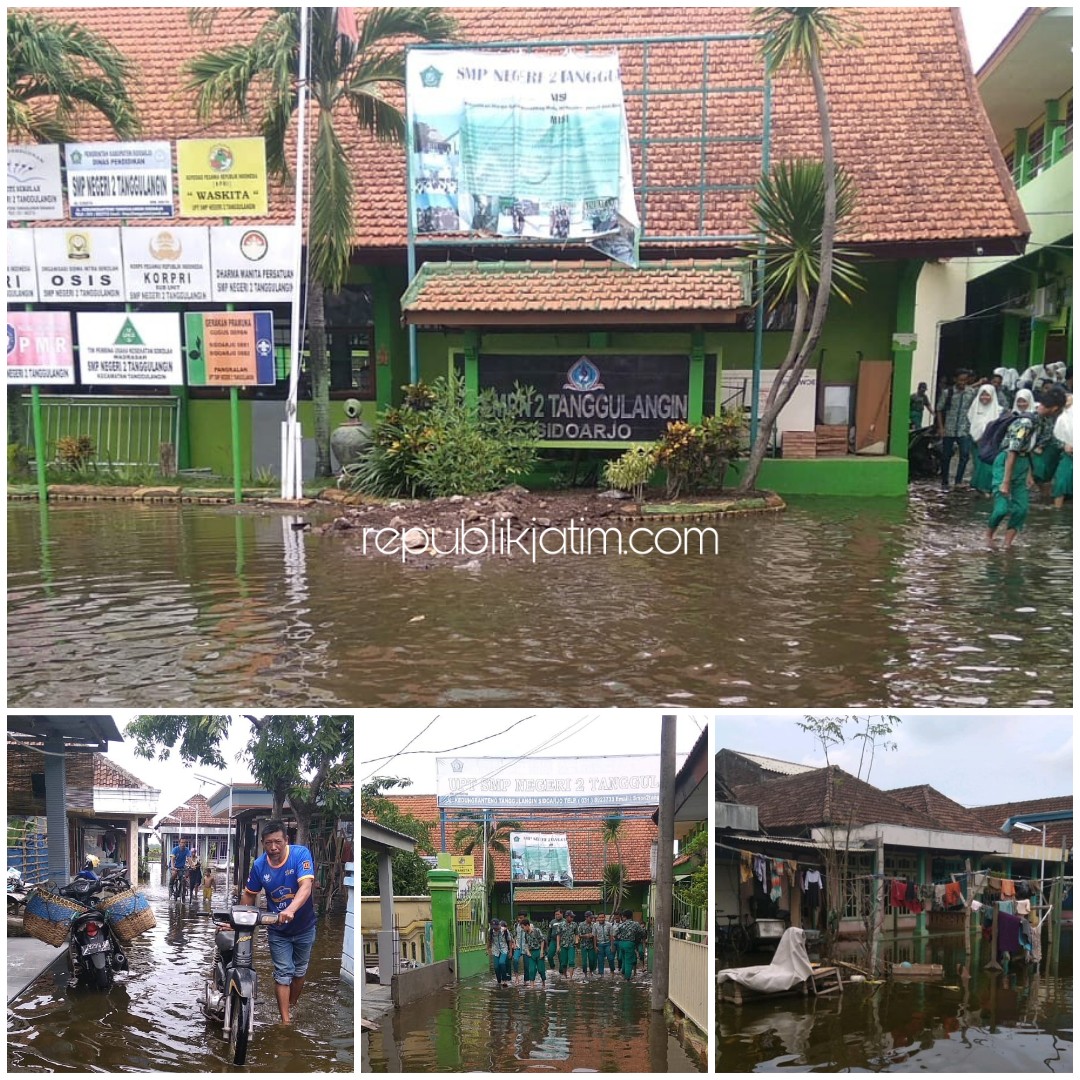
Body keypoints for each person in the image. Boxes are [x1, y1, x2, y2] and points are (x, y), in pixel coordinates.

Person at [239, 820, 317, 1025]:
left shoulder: (300, 855)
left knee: (299, 971)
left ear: (286, 841)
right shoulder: (259, 865)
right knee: (283, 973)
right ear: (263, 843)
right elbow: (249, 895)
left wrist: (290, 909)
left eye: (278, 842)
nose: (273, 848)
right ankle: (286, 1021)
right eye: (268, 843)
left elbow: (306, 886)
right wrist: (238, 919)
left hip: (304, 926)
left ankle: (291, 1005)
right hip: (277, 929)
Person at [987, 385, 1067, 548]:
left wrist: (1029, 473)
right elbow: (1012, 451)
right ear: (1055, 408)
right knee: (1002, 509)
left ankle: (1007, 545)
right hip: (1006, 464)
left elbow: (1030, 449)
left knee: (1021, 509)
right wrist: (1006, 481)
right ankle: (988, 536)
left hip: (1022, 464)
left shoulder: (1044, 422)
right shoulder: (1025, 422)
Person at [935, 369, 976, 488]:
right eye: (960, 379)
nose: (963, 382)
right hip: (949, 428)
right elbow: (939, 409)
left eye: (965, 380)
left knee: (964, 455)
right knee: (946, 455)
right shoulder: (947, 393)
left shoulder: (971, 393)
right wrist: (941, 427)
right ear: (955, 379)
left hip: (964, 429)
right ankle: (944, 481)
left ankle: (958, 481)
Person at [967, 384, 1004, 494]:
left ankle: (988, 488)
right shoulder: (974, 408)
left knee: (988, 466)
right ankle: (979, 488)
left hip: (991, 444)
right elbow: (971, 422)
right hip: (976, 442)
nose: (984, 398)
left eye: (987, 395)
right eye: (982, 395)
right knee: (978, 465)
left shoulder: (999, 411)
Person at [1052, 392, 1072, 509]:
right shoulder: (1061, 418)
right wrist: (1064, 445)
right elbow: (1055, 438)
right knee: (1061, 482)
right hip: (1068, 455)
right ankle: (1057, 510)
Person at [612, 909, 638, 981]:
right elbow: (641, 932)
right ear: (631, 916)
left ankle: (623, 972)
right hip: (630, 944)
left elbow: (614, 934)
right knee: (629, 961)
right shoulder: (635, 924)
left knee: (623, 959)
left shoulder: (621, 925)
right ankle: (627, 978)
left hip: (621, 943)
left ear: (624, 917)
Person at [522, 919, 546, 986]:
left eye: (523, 927)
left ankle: (543, 983)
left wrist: (541, 952)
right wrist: (527, 951)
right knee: (531, 970)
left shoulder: (536, 931)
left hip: (538, 951)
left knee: (541, 970)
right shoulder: (525, 934)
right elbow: (526, 943)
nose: (522, 929)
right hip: (531, 953)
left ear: (527, 925)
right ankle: (532, 986)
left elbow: (542, 940)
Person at [489, 918, 511, 987]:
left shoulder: (504, 930)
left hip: (504, 949)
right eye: (493, 927)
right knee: (496, 967)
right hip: (495, 950)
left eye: (496, 927)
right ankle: (499, 981)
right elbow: (489, 940)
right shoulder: (490, 931)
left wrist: (510, 951)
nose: (495, 929)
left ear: (499, 925)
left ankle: (504, 980)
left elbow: (509, 940)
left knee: (502, 963)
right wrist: (488, 949)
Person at [576, 912, 597, 977]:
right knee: (584, 961)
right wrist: (586, 935)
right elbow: (579, 935)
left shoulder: (594, 925)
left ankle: (591, 972)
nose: (591, 919)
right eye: (590, 918)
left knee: (591, 960)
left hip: (591, 945)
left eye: (592, 918)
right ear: (586, 917)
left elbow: (596, 935)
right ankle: (585, 973)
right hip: (584, 945)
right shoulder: (581, 925)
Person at [546, 910, 565, 975]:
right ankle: (552, 967)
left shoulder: (565, 922)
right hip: (553, 941)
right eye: (555, 914)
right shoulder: (552, 922)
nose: (557, 916)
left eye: (558, 914)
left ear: (562, 914)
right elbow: (549, 932)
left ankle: (561, 971)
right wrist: (548, 941)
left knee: (561, 957)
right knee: (549, 956)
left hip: (562, 941)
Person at [559, 910, 576, 977]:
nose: (572, 918)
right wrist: (558, 945)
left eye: (573, 917)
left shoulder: (574, 924)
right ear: (566, 917)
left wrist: (576, 941)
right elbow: (558, 935)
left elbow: (576, 934)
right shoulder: (561, 925)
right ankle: (565, 975)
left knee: (571, 961)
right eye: (571, 917)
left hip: (571, 945)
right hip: (563, 945)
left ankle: (571, 977)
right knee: (564, 963)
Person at [512, 913, 528, 984]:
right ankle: (516, 977)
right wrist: (514, 944)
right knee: (515, 960)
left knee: (526, 965)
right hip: (518, 947)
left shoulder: (529, 926)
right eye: (518, 918)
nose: (519, 919)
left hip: (526, 947)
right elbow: (514, 935)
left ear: (525, 918)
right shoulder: (516, 925)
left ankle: (526, 980)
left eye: (521, 918)